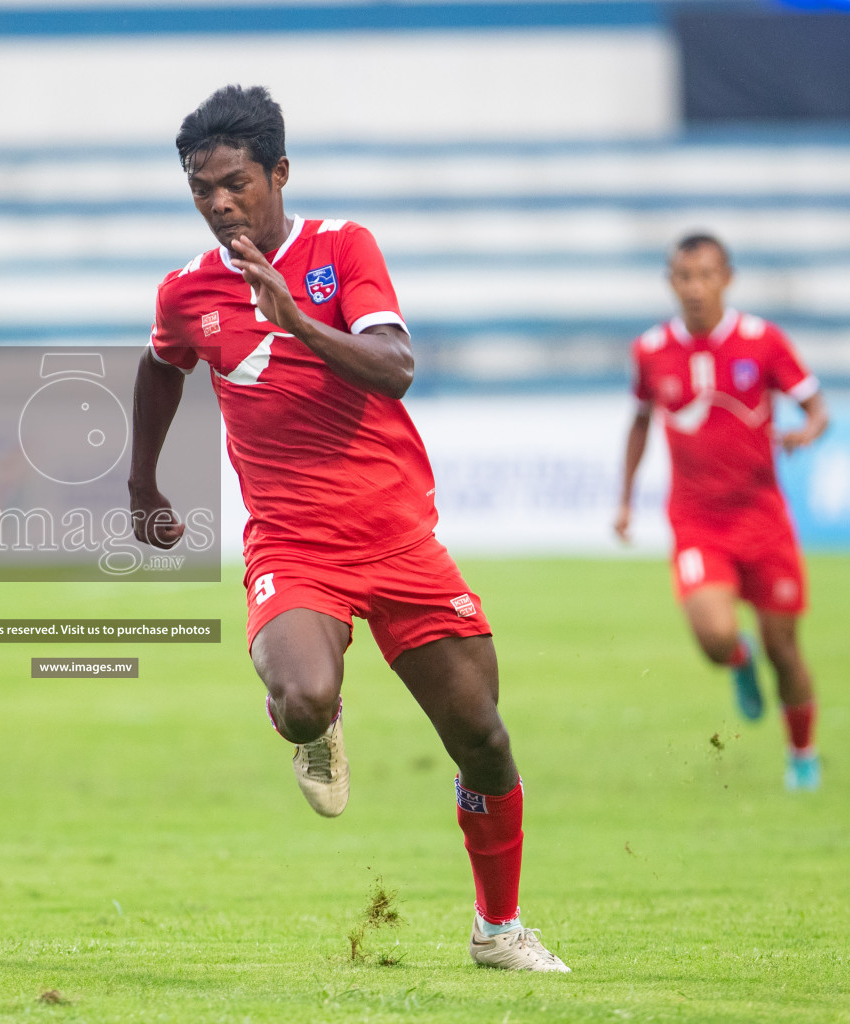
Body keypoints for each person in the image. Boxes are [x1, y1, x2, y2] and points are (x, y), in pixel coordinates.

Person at [130, 85, 568, 972]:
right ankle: (315, 719)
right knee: (301, 697)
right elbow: (160, 367)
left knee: (481, 736)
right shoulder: (186, 291)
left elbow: (397, 367)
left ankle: (498, 930)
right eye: (201, 188)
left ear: (279, 173)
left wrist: (293, 319)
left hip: (399, 538)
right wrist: (142, 480)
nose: (219, 203)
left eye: (237, 183)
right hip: (293, 547)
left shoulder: (341, 251)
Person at [616, 234, 827, 791]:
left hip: (763, 519)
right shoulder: (651, 349)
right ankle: (737, 658)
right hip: (697, 521)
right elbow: (639, 422)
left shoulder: (762, 342)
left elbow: (816, 407)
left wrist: (807, 430)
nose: (694, 287)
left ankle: (802, 754)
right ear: (671, 282)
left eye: (705, 275)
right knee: (713, 635)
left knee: (785, 650)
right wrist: (624, 500)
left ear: (726, 279)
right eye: (684, 276)